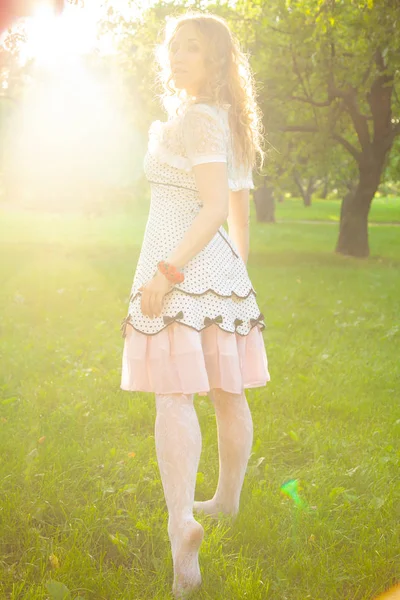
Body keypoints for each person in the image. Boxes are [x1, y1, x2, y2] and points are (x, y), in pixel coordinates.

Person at [120, 12, 270, 599]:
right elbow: (238, 207)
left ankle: (182, 520)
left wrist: (167, 272)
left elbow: (212, 208)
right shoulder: (220, 118)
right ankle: (224, 503)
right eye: (176, 47)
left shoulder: (199, 120)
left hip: (181, 271)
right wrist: (240, 274)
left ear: (215, 63)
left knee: (175, 394)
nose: (181, 57)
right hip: (218, 274)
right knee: (227, 393)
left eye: (195, 50)